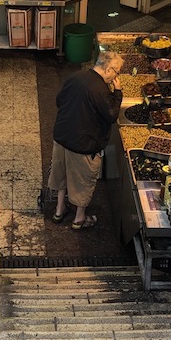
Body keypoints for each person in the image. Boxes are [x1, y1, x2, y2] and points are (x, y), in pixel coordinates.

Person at [48, 50, 124, 230]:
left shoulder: (76, 76)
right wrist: (118, 92)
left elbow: (60, 100)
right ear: (108, 69)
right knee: (83, 180)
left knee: (62, 173)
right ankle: (79, 218)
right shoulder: (101, 90)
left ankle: (59, 210)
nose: (116, 76)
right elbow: (112, 115)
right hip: (84, 144)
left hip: (62, 137)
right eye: (117, 72)